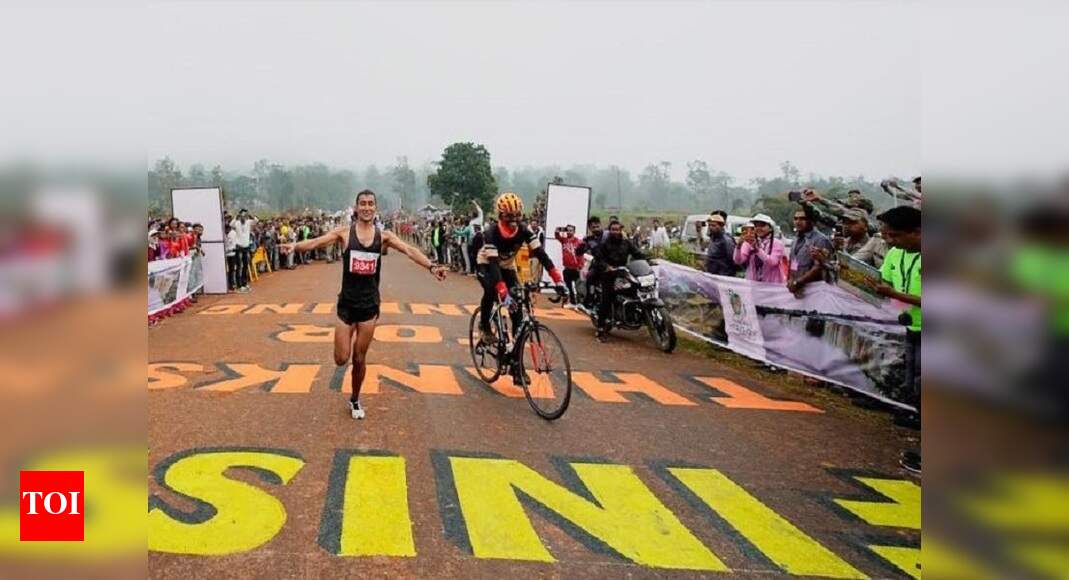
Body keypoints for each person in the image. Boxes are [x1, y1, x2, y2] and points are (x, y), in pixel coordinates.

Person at [280, 190, 447, 420]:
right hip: (346, 306)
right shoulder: (344, 234)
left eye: (370, 204)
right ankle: (344, 350)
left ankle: (355, 398)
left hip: (369, 307)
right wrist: (294, 246)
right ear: (356, 207)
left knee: (359, 358)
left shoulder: (384, 236)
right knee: (341, 359)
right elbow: (317, 242)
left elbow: (409, 250)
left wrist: (431, 266)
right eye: (363, 204)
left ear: (375, 208)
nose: (367, 207)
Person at [475, 192, 565, 382]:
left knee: (518, 314)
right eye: (509, 216)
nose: (514, 220)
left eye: (517, 215)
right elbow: (492, 264)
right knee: (491, 290)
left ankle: (517, 367)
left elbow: (540, 254)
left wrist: (557, 278)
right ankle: (484, 326)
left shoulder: (524, 230)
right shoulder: (491, 232)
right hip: (487, 264)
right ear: (500, 215)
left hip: (507, 267)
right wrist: (502, 291)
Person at [872, 205, 922, 475]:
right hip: (912, 328)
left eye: (895, 236)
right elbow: (884, 282)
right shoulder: (895, 253)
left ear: (917, 232)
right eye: (887, 236)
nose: (890, 241)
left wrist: (896, 295)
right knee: (913, 385)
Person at [591, 219, 648, 341]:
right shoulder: (604, 244)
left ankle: (632, 315)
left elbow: (637, 253)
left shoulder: (626, 243)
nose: (615, 232)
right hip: (608, 274)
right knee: (607, 298)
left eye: (617, 229)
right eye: (613, 229)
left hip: (623, 273)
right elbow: (598, 258)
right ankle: (601, 328)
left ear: (621, 230)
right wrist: (607, 267)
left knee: (635, 290)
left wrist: (648, 259)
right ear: (609, 230)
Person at [787, 206, 835, 295]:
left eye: (802, 219)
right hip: (797, 290)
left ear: (811, 221)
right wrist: (791, 280)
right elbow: (792, 262)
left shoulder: (821, 240)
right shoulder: (795, 240)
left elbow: (820, 267)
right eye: (796, 219)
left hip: (816, 292)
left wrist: (798, 282)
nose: (798, 222)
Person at [733, 214, 785, 283]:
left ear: (770, 228)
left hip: (772, 285)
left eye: (762, 225)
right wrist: (738, 246)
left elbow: (772, 262)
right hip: (754, 285)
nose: (758, 228)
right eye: (756, 225)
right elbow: (738, 261)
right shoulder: (749, 242)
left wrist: (757, 250)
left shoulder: (777, 243)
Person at [554, 224, 583, 308]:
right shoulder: (564, 240)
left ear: (574, 232)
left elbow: (581, 255)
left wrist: (580, 266)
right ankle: (572, 302)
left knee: (578, 287)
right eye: (568, 230)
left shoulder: (578, 242)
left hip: (576, 268)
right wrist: (558, 229)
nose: (569, 232)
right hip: (567, 268)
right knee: (568, 286)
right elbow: (557, 235)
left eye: (571, 230)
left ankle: (580, 302)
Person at [230, 209, 256, 291]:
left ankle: (244, 283)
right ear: (240, 216)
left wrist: (250, 214)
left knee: (245, 265)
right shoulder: (236, 223)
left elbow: (256, 220)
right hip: (238, 247)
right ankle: (239, 285)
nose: (243, 217)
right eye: (242, 216)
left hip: (246, 247)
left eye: (245, 216)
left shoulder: (248, 222)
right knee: (239, 266)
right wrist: (236, 217)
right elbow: (231, 224)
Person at [703, 212, 737, 276]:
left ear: (721, 226)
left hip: (723, 276)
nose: (710, 227)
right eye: (709, 225)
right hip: (712, 274)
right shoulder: (712, 238)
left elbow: (732, 260)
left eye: (713, 225)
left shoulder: (726, 241)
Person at [224, 224, 238, 291]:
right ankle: (228, 284)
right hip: (225, 255)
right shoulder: (223, 234)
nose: (227, 231)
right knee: (226, 270)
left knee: (232, 270)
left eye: (228, 230)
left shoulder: (233, 233)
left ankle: (232, 284)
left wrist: (231, 249)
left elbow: (234, 244)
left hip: (232, 254)